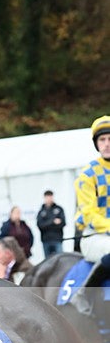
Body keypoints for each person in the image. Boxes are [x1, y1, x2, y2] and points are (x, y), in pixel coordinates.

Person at [72, 114, 110, 315]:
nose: (107, 144)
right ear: (96, 144)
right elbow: (89, 213)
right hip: (94, 236)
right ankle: (83, 294)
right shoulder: (88, 174)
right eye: (102, 140)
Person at [36, 190, 66, 258]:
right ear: (44, 198)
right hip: (46, 240)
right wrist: (53, 222)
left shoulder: (59, 209)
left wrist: (47, 224)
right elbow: (40, 225)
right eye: (47, 197)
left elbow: (63, 223)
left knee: (60, 258)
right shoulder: (41, 211)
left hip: (57, 239)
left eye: (50, 197)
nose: (49, 199)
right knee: (48, 261)